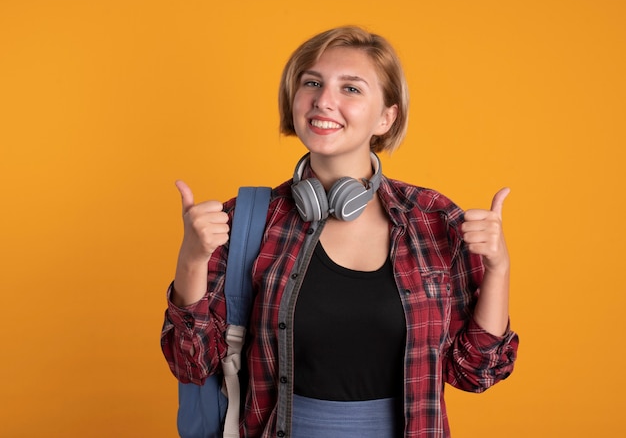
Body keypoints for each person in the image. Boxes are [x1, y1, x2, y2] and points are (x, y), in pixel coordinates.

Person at [161, 26, 519, 438]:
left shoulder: (432, 220)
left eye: (350, 89)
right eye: (312, 83)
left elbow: (476, 372)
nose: (324, 100)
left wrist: (498, 269)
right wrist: (190, 260)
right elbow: (192, 364)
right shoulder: (247, 221)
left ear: (387, 116)